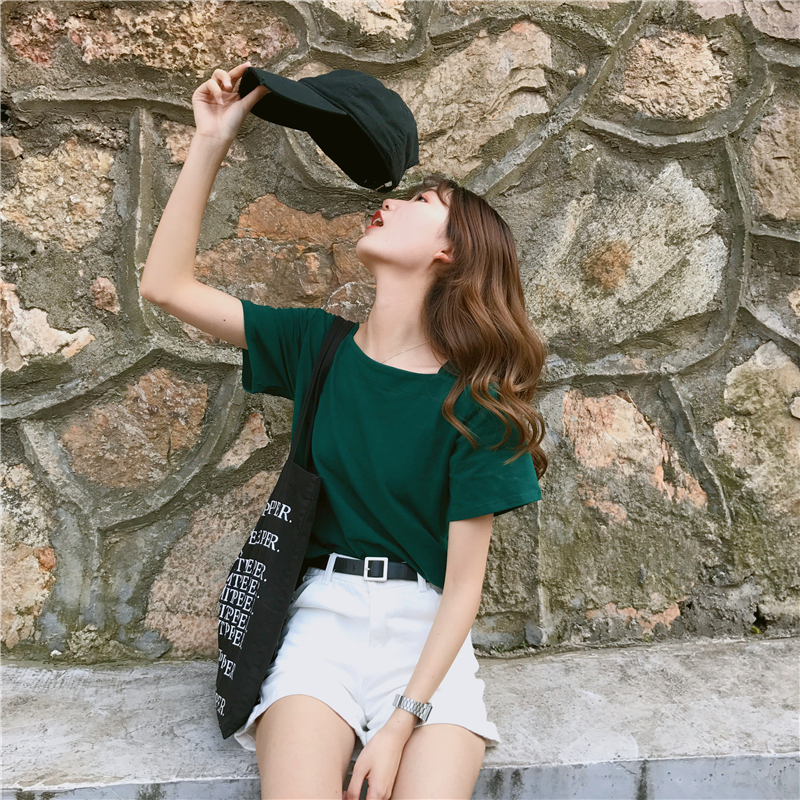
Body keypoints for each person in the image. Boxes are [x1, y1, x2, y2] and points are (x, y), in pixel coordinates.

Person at [140, 62, 549, 800]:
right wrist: (211, 141)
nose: (389, 202)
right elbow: (165, 286)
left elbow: (464, 590)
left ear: (450, 251)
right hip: (318, 628)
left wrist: (399, 724)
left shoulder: (477, 406)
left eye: (420, 201)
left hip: (425, 643)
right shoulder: (315, 347)